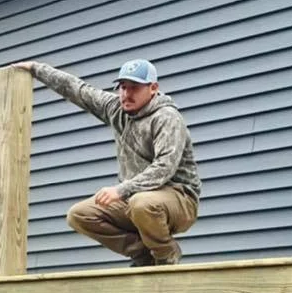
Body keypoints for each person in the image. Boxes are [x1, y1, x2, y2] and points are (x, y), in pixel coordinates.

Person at [17, 58, 200, 266]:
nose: (126, 94)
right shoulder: (115, 108)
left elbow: (164, 167)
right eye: (123, 87)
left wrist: (121, 190)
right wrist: (36, 69)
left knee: (142, 203)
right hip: (135, 198)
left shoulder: (166, 117)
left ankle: (166, 254)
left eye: (134, 88)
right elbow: (77, 89)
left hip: (179, 198)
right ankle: (143, 254)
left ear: (153, 88)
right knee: (80, 215)